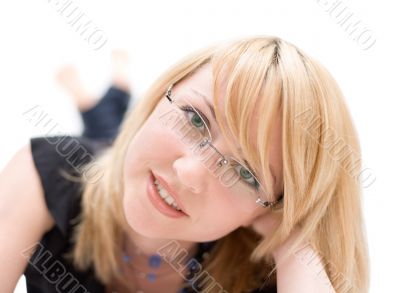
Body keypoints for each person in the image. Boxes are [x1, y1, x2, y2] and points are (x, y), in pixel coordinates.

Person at [0, 36, 370, 293]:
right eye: (195, 119)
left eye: (245, 173)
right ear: (159, 97)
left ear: (272, 208)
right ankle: (114, 83)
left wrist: (294, 247)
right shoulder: (44, 172)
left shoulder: (266, 275)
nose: (190, 173)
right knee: (107, 132)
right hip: (103, 156)